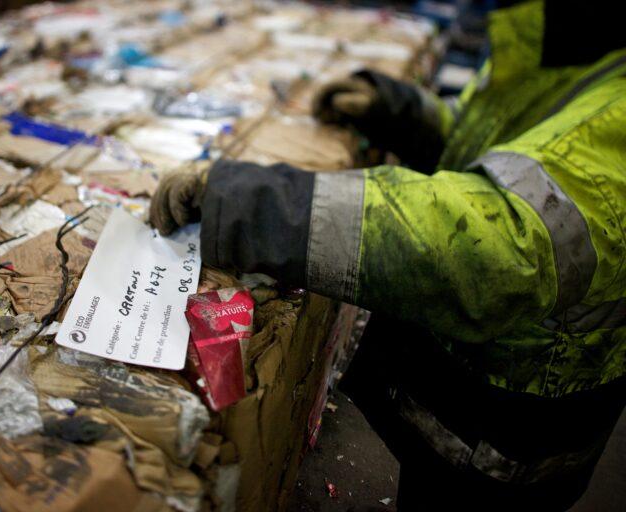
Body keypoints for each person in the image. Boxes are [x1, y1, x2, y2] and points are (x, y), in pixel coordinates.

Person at [149, 1, 626, 509]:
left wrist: (258, 206)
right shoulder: (561, 33)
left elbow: (500, 248)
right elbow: (503, 147)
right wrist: (402, 113)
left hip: (513, 429)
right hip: (462, 393)